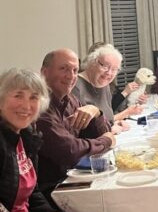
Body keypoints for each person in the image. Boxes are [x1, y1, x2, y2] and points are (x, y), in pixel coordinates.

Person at [0, 68, 73, 212]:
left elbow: (33, 193)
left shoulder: (27, 135)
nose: (26, 106)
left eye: (33, 97)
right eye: (18, 95)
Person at [36, 49, 115, 197]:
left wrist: (96, 111)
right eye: (63, 69)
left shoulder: (70, 99)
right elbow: (70, 151)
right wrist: (106, 141)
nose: (71, 76)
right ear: (44, 72)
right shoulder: (38, 106)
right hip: (53, 190)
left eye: (75, 70)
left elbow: (96, 131)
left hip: (76, 176)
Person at [73, 44, 143, 134]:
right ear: (92, 63)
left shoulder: (104, 84)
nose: (109, 73)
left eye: (114, 69)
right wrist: (109, 130)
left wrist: (114, 123)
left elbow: (106, 118)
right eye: (105, 66)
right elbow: (76, 133)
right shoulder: (75, 86)